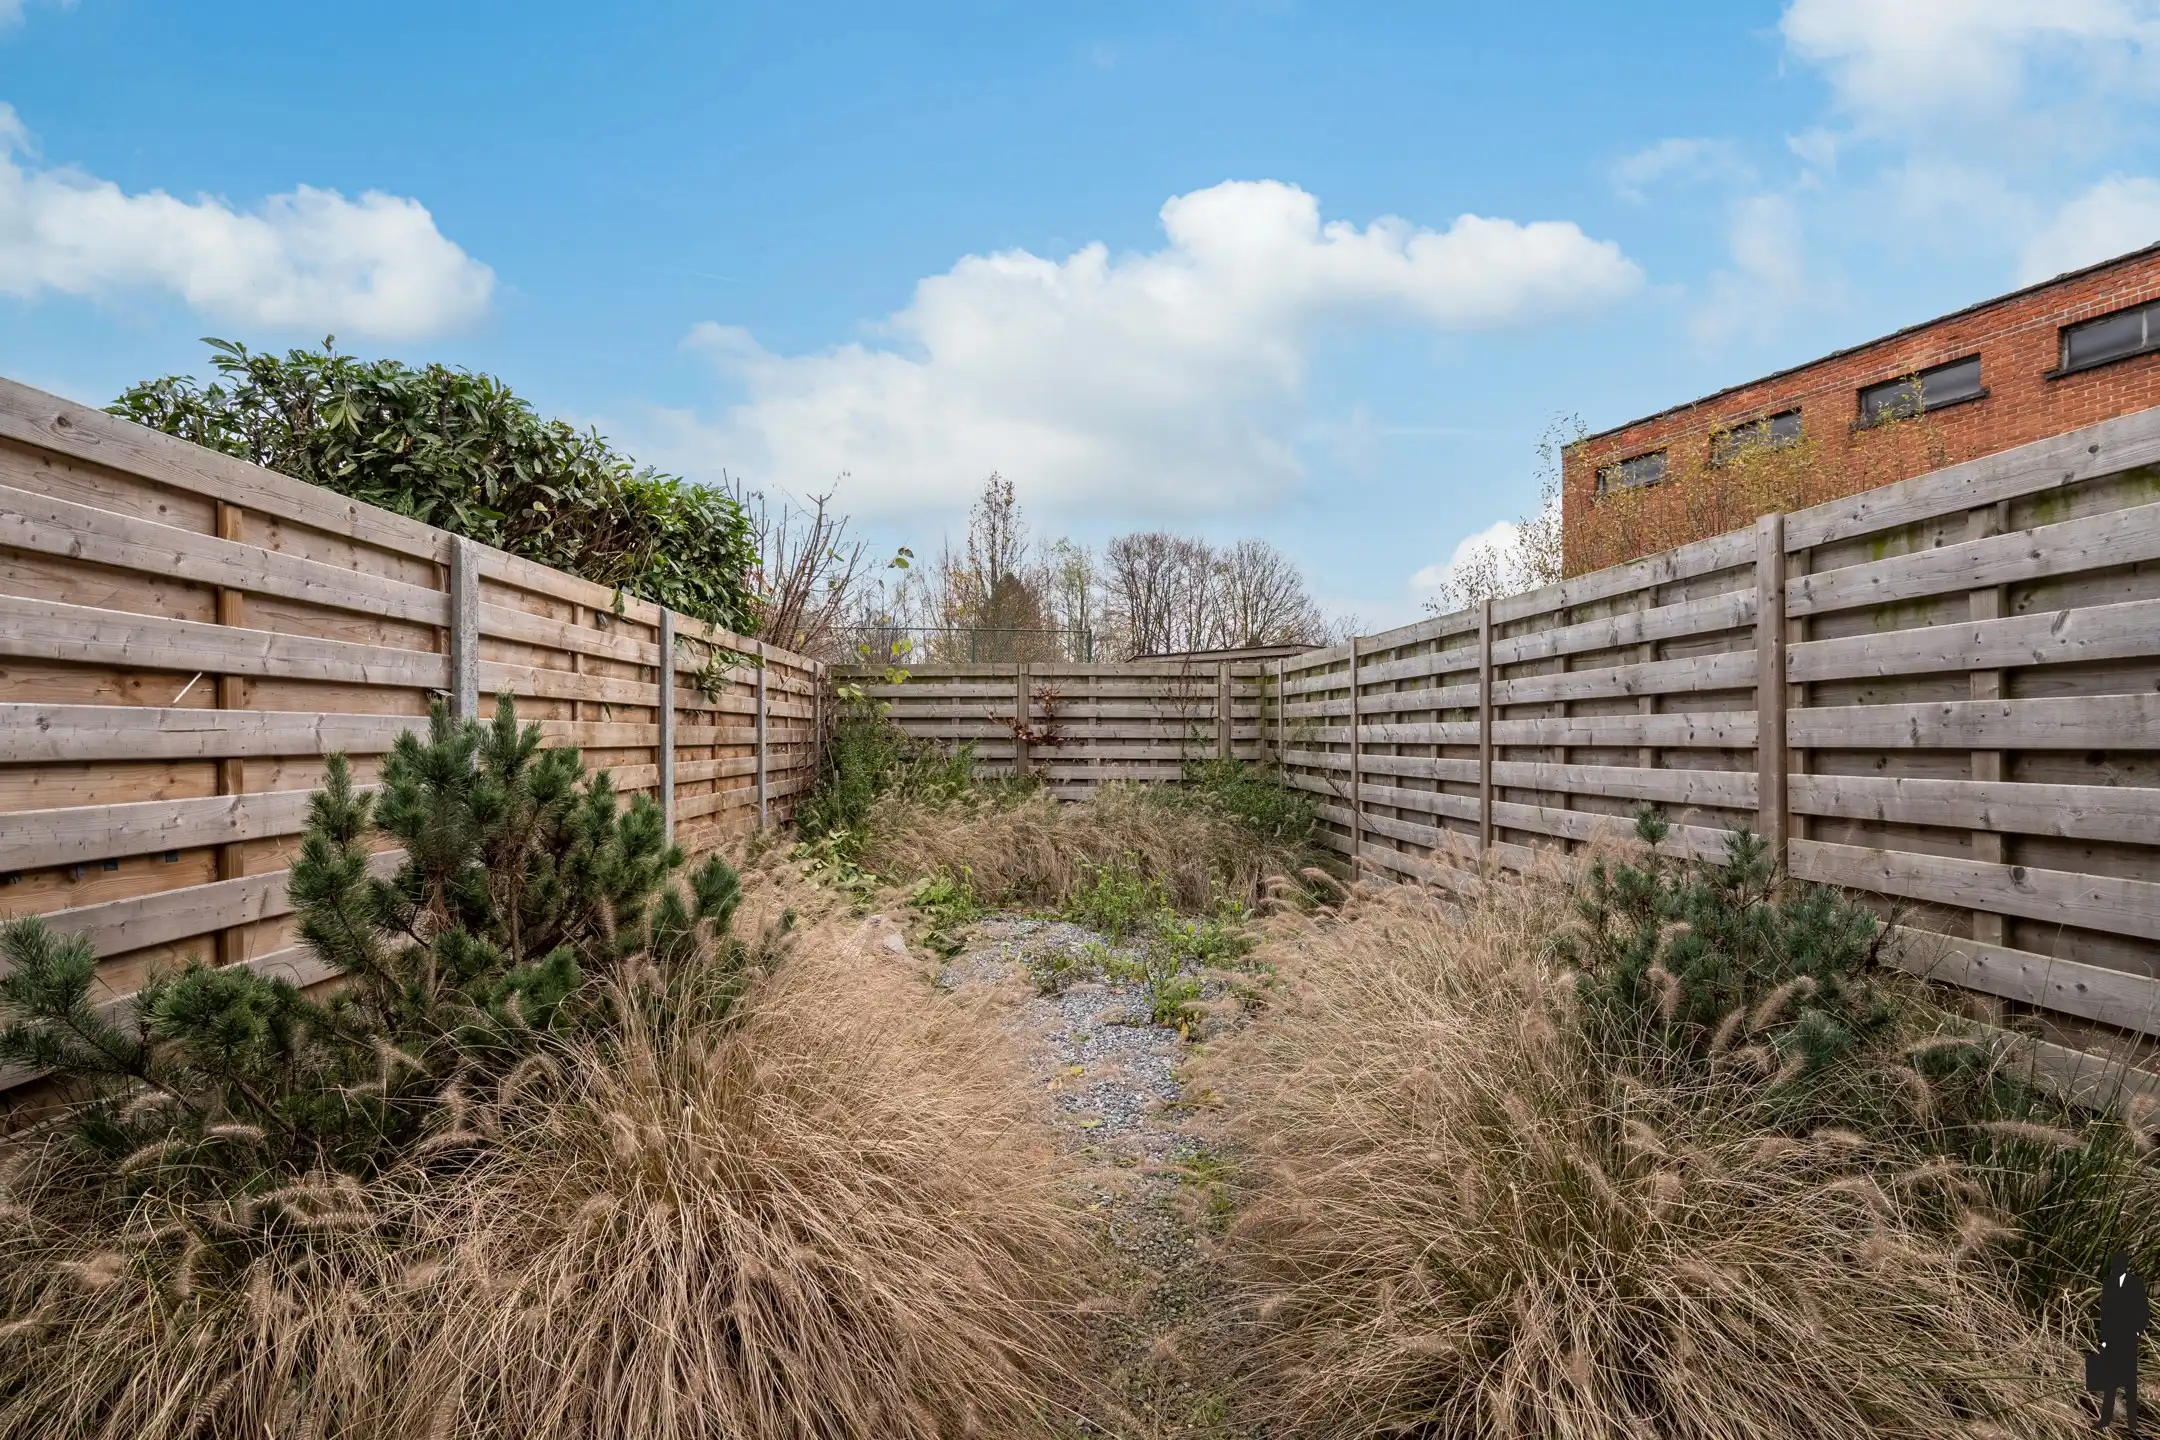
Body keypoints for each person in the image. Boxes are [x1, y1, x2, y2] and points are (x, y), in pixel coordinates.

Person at [2094, 1252, 2148, 1433]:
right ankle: (2106, 1418)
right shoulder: (2108, 1283)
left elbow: (2143, 1311)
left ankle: (2132, 1422)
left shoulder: (2135, 1283)